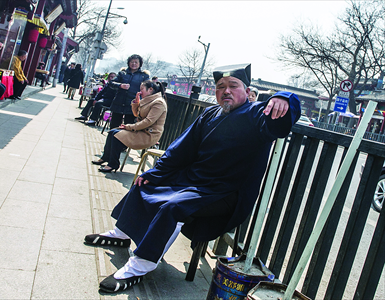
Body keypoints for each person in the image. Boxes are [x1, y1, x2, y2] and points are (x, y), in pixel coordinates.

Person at [84, 63, 301, 293]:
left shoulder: (257, 114)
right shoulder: (210, 113)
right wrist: (154, 173)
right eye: (220, 87)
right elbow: (180, 149)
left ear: (247, 92)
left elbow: (280, 122)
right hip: (192, 181)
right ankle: (122, 233)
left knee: (173, 207)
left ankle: (140, 265)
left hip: (224, 192)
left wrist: (284, 98)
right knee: (144, 183)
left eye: (233, 86)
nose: (226, 91)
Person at [92, 80, 167, 173]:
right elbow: (136, 114)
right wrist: (136, 102)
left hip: (148, 134)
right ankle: (106, 158)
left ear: (150, 89)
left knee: (116, 136)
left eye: (142, 89)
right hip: (140, 130)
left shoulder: (158, 103)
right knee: (112, 132)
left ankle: (113, 164)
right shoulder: (148, 100)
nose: (140, 91)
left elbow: (148, 122)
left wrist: (128, 127)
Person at [109, 54, 150, 129]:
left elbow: (148, 89)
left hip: (133, 105)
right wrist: (120, 85)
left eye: (136, 62)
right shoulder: (122, 73)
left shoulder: (144, 76)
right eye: (132, 62)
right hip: (119, 102)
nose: (134, 64)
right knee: (114, 126)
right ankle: (111, 140)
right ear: (128, 63)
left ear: (140, 64)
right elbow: (111, 83)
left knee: (128, 128)